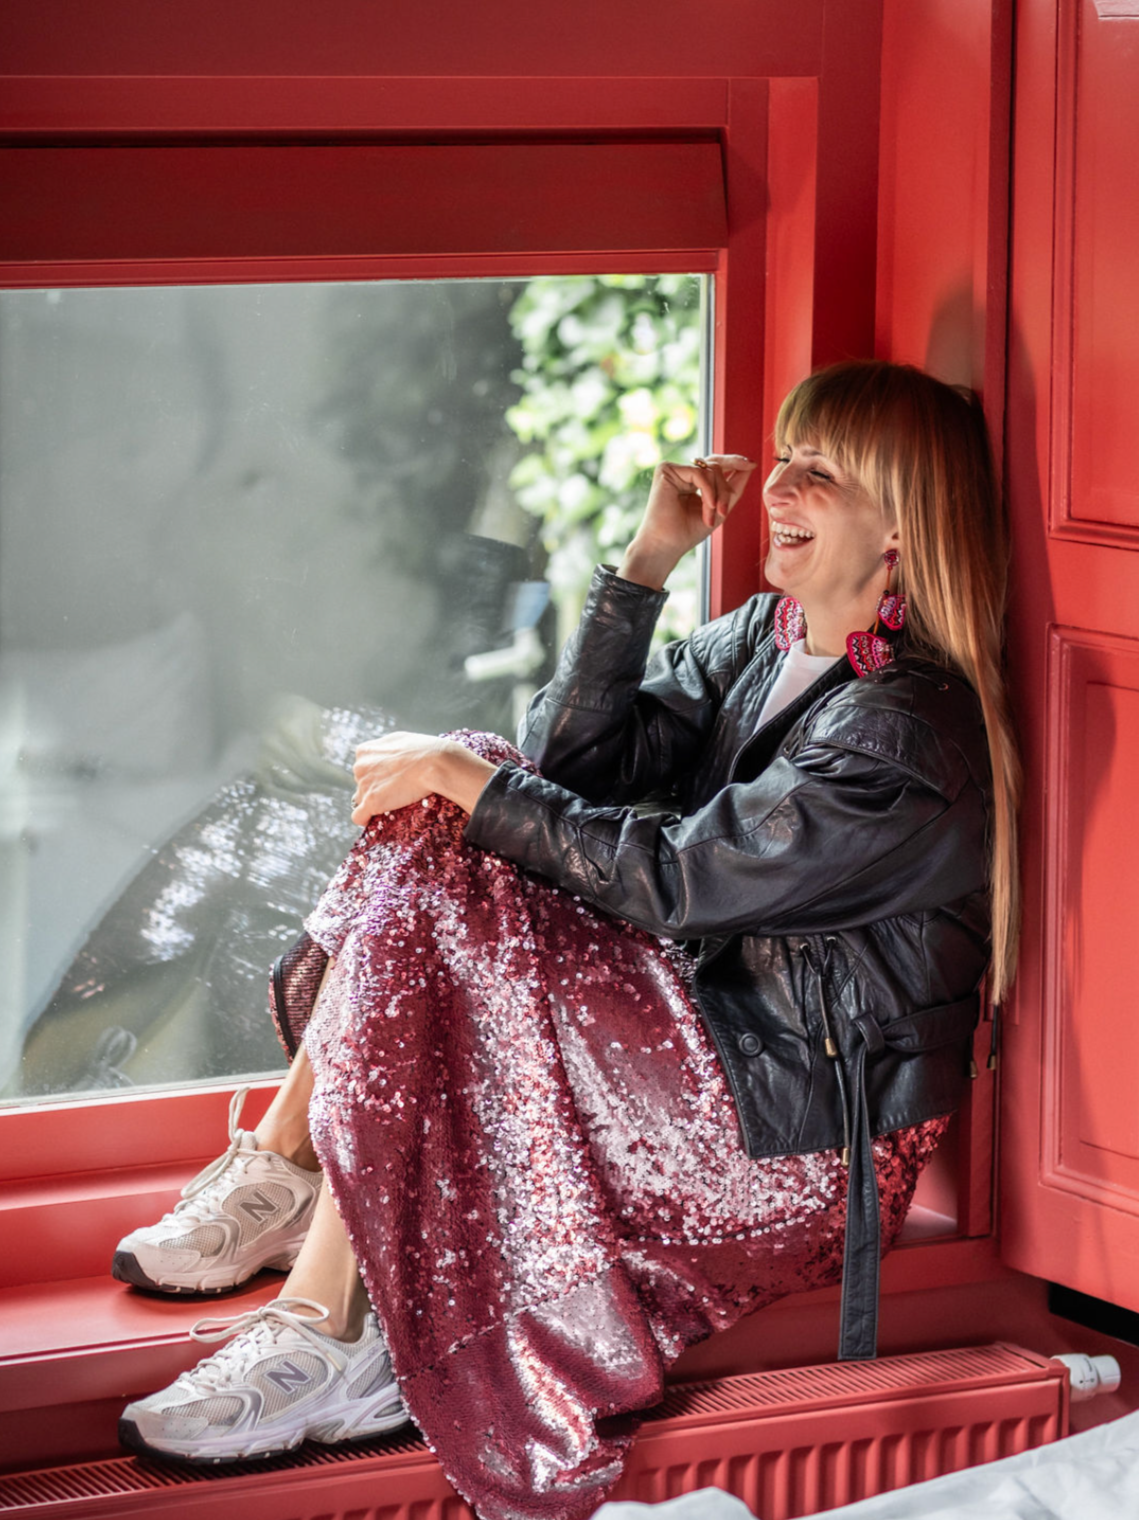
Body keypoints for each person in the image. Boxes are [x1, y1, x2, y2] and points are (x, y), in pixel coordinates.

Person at [113, 360, 1019, 1520]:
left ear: (900, 526)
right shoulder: (767, 635)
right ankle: (297, 1178)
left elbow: (681, 877)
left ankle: (329, 1318)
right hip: (706, 1053)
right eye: (786, 456)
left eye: (821, 473)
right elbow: (569, 762)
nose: (780, 485)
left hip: (792, 1144)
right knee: (468, 781)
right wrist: (644, 564)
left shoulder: (904, 731)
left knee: (465, 792)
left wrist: (467, 779)